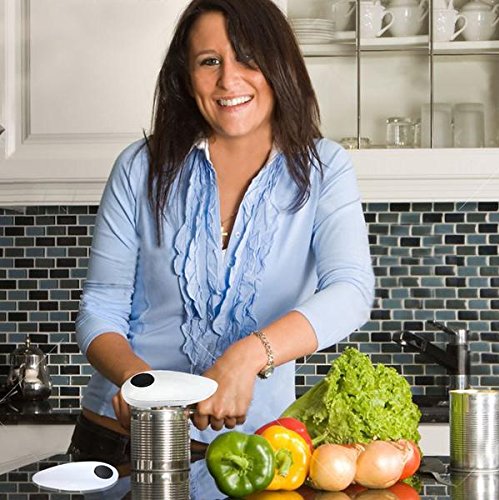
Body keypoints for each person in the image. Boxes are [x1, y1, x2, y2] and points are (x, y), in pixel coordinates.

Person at [68, 0, 375, 471]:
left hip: (253, 454)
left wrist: (247, 357)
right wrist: (140, 384)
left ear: (280, 66)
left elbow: (351, 291)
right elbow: (100, 307)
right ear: (186, 75)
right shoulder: (139, 167)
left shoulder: (324, 169)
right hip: (123, 444)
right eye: (209, 61)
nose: (229, 80)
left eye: (248, 58)